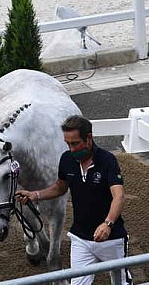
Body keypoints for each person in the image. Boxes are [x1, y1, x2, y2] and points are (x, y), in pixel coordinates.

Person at [15, 115, 132, 285]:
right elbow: (60, 187)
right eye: (68, 144)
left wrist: (108, 224)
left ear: (89, 138)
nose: (71, 149)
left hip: (111, 239)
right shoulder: (67, 160)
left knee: (121, 282)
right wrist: (36, 195)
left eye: (75, 143)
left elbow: (119, 195)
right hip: (80, 238)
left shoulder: (107, 161)